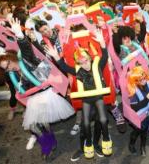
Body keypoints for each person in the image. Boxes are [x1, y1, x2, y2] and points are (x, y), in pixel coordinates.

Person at [0, 18, 75, 160]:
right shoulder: (13, 75)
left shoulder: (26, 60)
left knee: (43, 122)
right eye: (5, 68)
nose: (9, 68)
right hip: (33, 98)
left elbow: (26, 49)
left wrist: (20, 35)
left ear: (11, 58)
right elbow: (20, 92)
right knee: (32, 126)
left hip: (45, 93)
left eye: (8, 64)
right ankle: (47, 144)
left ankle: (50, 144)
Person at [46, 29, 113, 160]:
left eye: (86, 61)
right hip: (87, 100)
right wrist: (56, 56)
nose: (85, 65)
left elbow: (104, 55)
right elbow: (64, 67)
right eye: (81, 63)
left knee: (103, 120)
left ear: (90, 58)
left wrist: (102, 43)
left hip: (99, 98)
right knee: (85, 124)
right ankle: (86, 146)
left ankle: (102, 142)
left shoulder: (97, 65)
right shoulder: (79, 70)